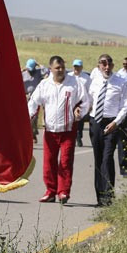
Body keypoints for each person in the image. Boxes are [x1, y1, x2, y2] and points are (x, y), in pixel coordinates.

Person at [29, 56, 90, 204]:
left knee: (66, 161)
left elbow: (86, 101)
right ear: (51, 69)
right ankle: (50, 191)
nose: (61, 70)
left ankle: (63, 192)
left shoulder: (75, 83)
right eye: (57, 68)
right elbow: (33, 102)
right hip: (50, 130)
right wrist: (29, 118)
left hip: (68, 129)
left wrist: (79, 111)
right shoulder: (44, 85)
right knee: (49, 162)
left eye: (62, 67)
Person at [88, 54, 127, 206]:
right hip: (96, 122)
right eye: (103, 64)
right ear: (98, 65)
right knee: (98, 159)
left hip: (111, 123)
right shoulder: (94, 82)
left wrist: (116, 122)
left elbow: (125, 105)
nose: (106, 67)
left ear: (112, 65)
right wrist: (80, 110)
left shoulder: (121, 82)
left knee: (107, 158)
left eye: (109, 64)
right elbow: (88, 100)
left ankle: (108, 196)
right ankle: (100, 197)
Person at [68, 58, 91, 147]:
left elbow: (90, 91)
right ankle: (72, 136)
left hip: (82, 102)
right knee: (71, 119)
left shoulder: (86, 78)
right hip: (71, 100)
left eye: (78, 67)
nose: (76, 68)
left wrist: (89, 103)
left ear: (81, 67)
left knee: (80, 120)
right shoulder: (69, 76)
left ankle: (79, 136)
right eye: (75, 66)